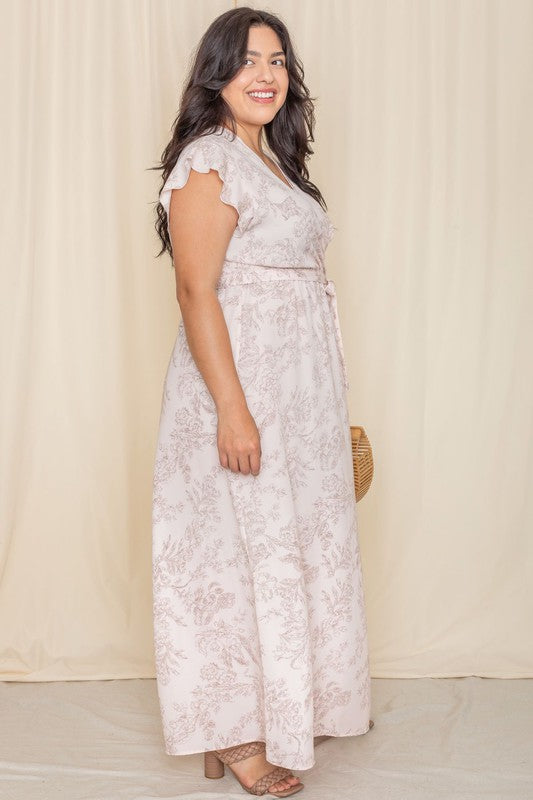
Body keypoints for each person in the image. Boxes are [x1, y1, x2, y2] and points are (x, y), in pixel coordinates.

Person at [151, 7, 372, 797]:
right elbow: (195, 289)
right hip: (237, 392)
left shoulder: (275, 163)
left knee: (286, 552)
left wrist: (325, 401)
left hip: (300, 397)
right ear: (216, 72)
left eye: (277, 60)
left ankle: (273, 710)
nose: (267, 74)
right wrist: (234, 412)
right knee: (231, 557)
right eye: (247, 60)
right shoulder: (209, 161)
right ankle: (234, 734)